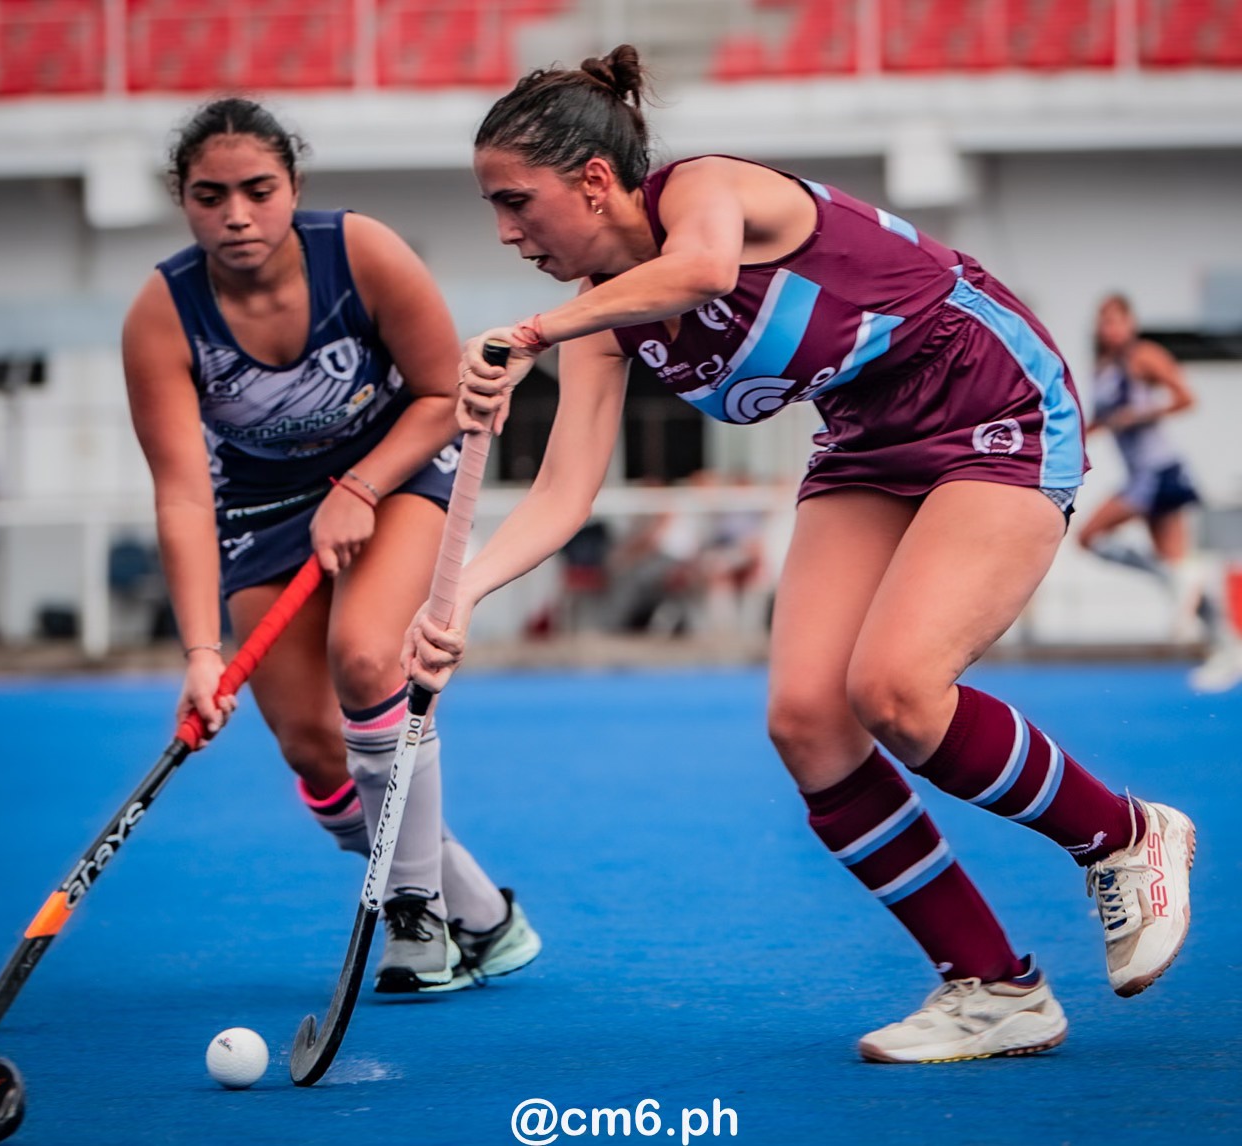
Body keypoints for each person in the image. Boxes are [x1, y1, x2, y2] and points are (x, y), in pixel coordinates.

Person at [405, 46, 1196, 1064]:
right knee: (809, 722)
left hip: (991, 400)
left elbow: (701, 271)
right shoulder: (605, 316)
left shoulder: (709, 192)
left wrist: (536, 333)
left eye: (516, 202)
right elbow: (564, 493)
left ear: (596, 182)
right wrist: (459, 597)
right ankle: (994, 987)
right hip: (867, 437)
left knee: (899, 691)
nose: (507, 232)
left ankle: (1125, 836)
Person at [122, 98, 539, 995]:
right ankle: (482, 913)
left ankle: (416, 922)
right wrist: (201, 652)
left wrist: (359, 487)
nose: (237, 213)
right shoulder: (161, 315)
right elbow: (184, 493)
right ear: (183, 202)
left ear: (293, 189)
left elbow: (443, 394)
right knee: (315, 751)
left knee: (366, 661)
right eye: (210, 195)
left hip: (395, 475)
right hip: (262, 514)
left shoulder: (362, 252)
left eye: (258, 190)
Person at [1077, 293, 1242, 693]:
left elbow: (1186, 397)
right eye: (1102, 321)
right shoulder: (1102, 369)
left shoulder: (1144, 356)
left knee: (1089, 536)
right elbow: (1101, 420)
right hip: (1141, 474)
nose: (1108, 329)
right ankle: (1233, 646)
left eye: (1115, 320)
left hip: (1158, 471)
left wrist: (1140, 414)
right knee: (1178, 567)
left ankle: (1201, 608)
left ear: (1130, 323)